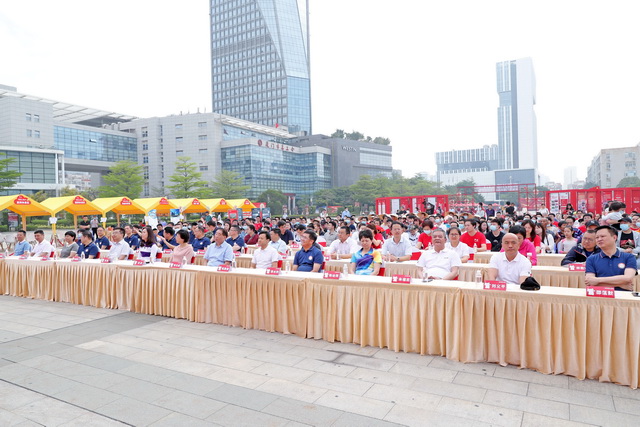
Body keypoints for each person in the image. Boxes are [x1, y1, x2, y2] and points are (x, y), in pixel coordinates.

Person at [586, 226, 637, 291]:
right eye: (597, 237)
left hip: (623, 295)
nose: (599, 239)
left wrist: (597, 280)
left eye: (602, 236)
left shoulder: (629, 257)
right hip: (600, 295)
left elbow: (627, 278)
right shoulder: (591, 259)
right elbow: (590, 282)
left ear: (614, 237)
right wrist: (620, 284)